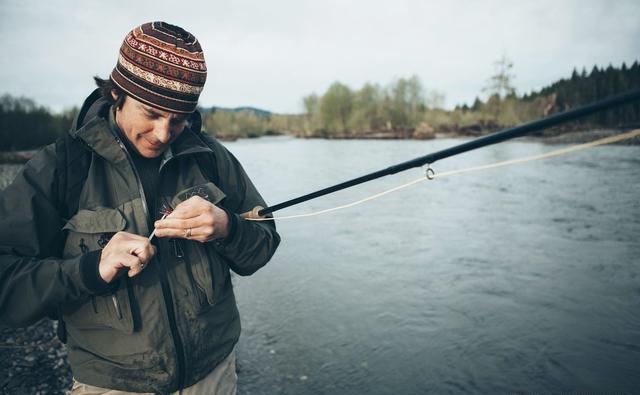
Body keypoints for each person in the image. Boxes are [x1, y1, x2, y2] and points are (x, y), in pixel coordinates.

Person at [0, 22, 280, 394]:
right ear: (116, 92)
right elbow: (8, 284)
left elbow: (263, 243)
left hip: (214, 375)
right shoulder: (60, 167)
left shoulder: (211, 157)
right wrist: (90, 269)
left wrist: (229, 227)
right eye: (151, 113)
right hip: (113, 384)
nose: (164, 134)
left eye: (178, 119)